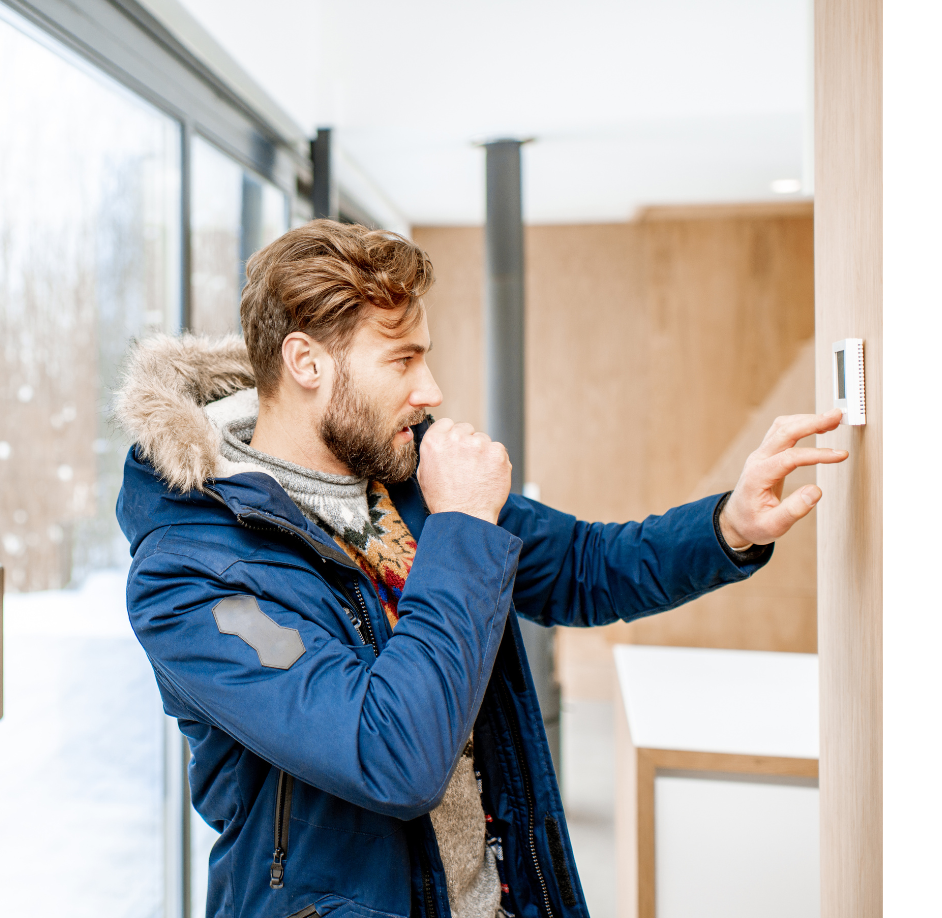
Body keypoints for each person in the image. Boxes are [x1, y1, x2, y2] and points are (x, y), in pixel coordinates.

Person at [114, 220, 846, 918]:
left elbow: (585, 565)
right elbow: (388, 754)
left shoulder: (405, 477)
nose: (430, 390)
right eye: (401, 360)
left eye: (425, 355)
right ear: (306, 362)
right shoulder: (197, 583)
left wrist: (729, 525)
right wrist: (462, 525)